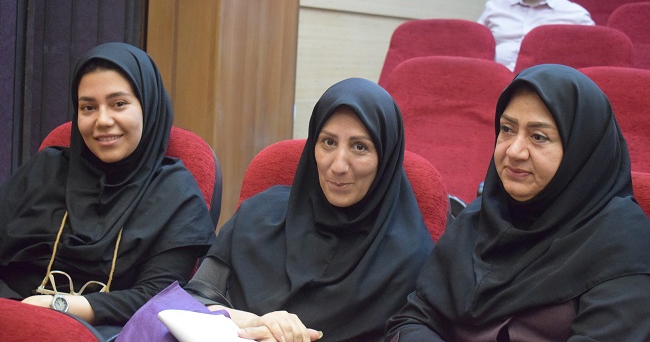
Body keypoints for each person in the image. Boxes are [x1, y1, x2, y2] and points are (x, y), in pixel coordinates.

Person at [385, 64, 650, 341]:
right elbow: (413, 318)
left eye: (538, 137)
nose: (514, 151)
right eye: (507, 129)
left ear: (581, 149)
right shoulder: (481, 217)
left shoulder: (623, 244)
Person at [182, 78, 434, 341]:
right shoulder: (257, 214)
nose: (338, 166)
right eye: (328, 142)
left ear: (386, 157)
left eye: (359, 147)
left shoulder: (411, 259)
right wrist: (257, 323)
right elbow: (190, 301)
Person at [0, 42, 216, 331]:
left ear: (148, 107)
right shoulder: (44, 170)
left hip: (106, 332)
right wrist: (14, 312)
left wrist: (57, 306)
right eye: (88, 107)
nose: (102, 120)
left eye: (119, 104)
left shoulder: (176, 194)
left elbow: (159, 298)